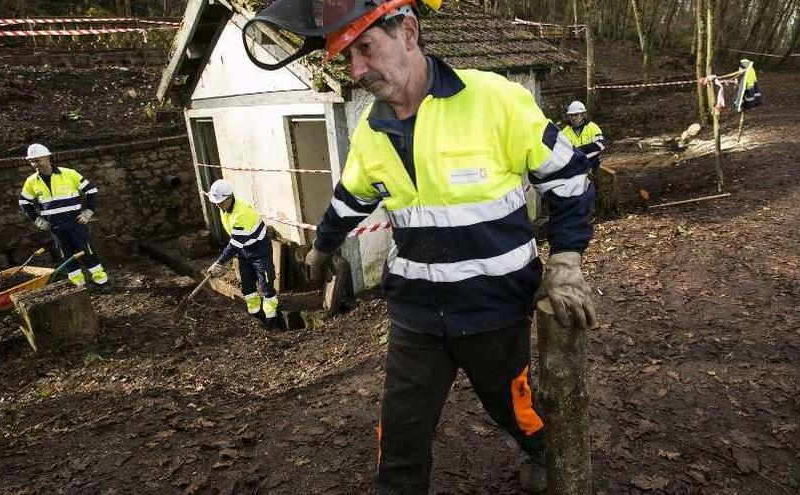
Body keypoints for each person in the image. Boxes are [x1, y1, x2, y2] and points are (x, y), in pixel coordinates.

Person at [247, 0, 596, 492]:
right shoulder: (372, 127)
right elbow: (352, 196)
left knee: (514, 408)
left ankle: (539, 450)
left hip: (493, 308)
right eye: (348, 57)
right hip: (415, 313)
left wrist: (565, 259)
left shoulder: (493, 99)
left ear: (408, 32)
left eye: (365, 48)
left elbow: (570, 179)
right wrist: (322, 248)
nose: (357, 70)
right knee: (401, 437)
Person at [18, 143, 109, 288]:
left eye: (38, 160)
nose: (35, 164)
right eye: (32, 161)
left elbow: (91, 191)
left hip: (75, 224)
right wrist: (37, 220)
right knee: (67, 258)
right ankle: (80, 286)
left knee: (87, 253)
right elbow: (23, 201)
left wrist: (88, 212)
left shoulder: (69, 174)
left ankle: (102, 282)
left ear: (47, 157)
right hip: (56, 228)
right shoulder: (31, 181)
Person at [204, 179, 278, 325]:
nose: (218, 205)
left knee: (266, 286)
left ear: (229, 197)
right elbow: (237, 244)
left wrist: (219, 263)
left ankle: (272, 320)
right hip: (244, 251)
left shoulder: (241, 214)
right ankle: (256, 319)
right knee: (248, 288)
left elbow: (233, 245)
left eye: (220, 202)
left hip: (259, 251)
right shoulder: (224, 207)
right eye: (216, 202)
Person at [562, 100, 605, 173]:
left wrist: (579, 151)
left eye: (576, 115)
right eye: (571, 115)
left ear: (582, 115)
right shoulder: (564, 132)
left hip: (591, 166)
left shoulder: (592, 127)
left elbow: (601, 145)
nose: (573, 118)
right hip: (573, 170)